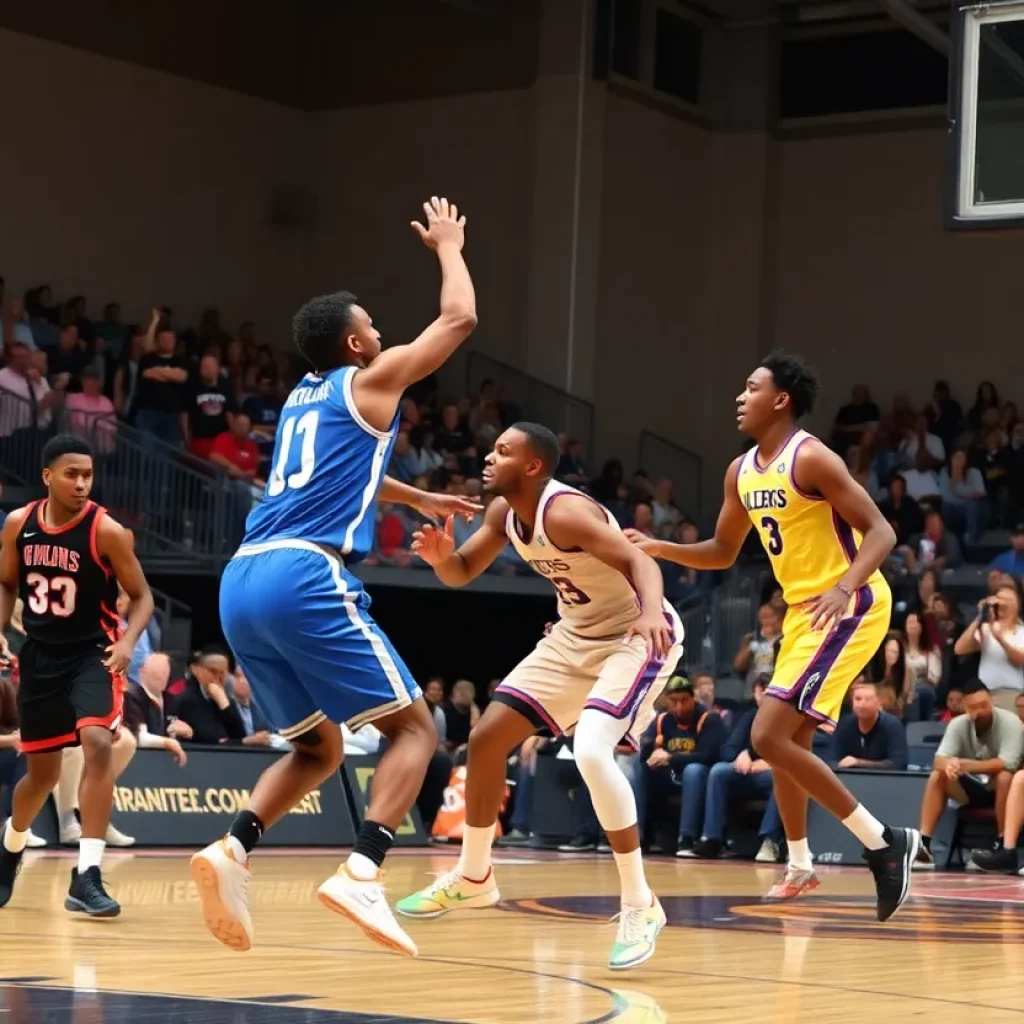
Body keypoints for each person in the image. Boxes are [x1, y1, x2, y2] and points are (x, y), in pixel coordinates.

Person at [193, 196, 479, 958]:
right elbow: (458, 323)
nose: (384, 336)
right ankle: (363, 869)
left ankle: (232, 848)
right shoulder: (374, 377)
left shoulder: (300, 401)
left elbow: (344, 472)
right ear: (357, 344)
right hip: (302, 574)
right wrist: (450, 248)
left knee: (317, 750)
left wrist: (416, 494)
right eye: (375, 329)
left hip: (240, 581)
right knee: (416, 728)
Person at [626, 351, 919, 922]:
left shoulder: (811, 457)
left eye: (751, 387)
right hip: (804, 615)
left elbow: (881, 531)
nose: (740, 396)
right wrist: (662, 548)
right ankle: (802, 865)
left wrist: (845, 587)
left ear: (781, 400)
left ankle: (884, 842)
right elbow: (721, 552)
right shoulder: (740, 471)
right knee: (790, 742)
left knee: (766, 734)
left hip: (851, 605)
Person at [396, 422, 682, 970]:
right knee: (485, 739)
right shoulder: (505, 512)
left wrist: (649, 612)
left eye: (503, 451)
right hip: (573, 634)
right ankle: (474, 875)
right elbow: (461, 572)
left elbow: (640, 562)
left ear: (532, 467)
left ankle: (639, 904)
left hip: (635, 632)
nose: (488, 456)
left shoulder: (566, 513)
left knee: (593, 752)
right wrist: (440, 560)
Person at [0, 435, 154, 915]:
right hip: (41, 657)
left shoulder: (106, 530)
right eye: (72, 474)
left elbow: (143, 596)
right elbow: (6, 582)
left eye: (88, 474)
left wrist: (127, 644)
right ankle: (11, 847)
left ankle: (86, 875)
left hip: (94, 653)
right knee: (40, 777)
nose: (82, 483)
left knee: (99, 742)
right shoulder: (18, 524)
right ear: (48, 476)